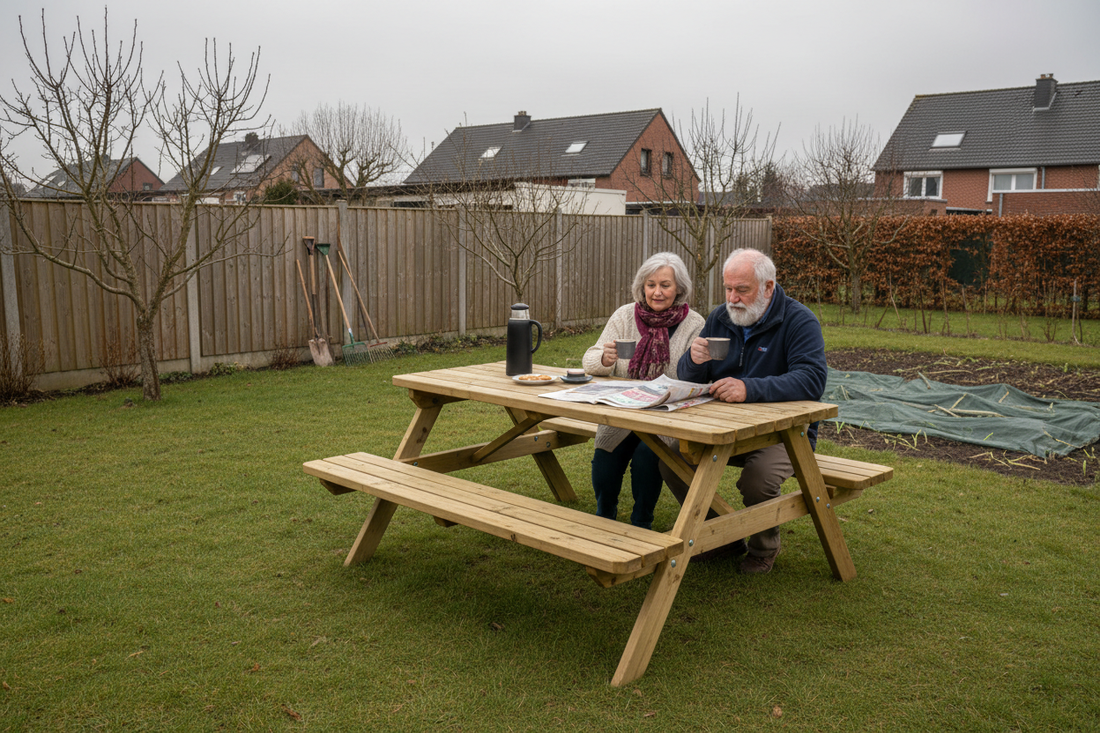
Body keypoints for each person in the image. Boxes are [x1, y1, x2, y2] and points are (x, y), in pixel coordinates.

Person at [659, 247, 827, 573]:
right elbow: (691, 377)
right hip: (726, 429)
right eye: (728, 289)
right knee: (671, 458)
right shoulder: (721, 318)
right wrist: (692, 361)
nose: (732, 298)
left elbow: (812, 380)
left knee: (758, 478)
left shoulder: (799, 320)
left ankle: (764, 548)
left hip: (785, 433)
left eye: (742, 290)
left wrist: (749, 388)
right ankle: (722, 536)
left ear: (768, 287)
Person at [581, 252, 705, 530]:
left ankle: (641, 522)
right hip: (624, 409)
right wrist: (605, 359)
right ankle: (605, 515)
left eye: (665, 285)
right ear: (642, 286)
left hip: (665, 415)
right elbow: (589, 359)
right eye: (651, 285)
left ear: (679, 289)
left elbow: (695, 377)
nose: (657, 292)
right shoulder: (624, 315)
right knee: (605, 457)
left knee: (647, 458)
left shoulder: (694, 323)